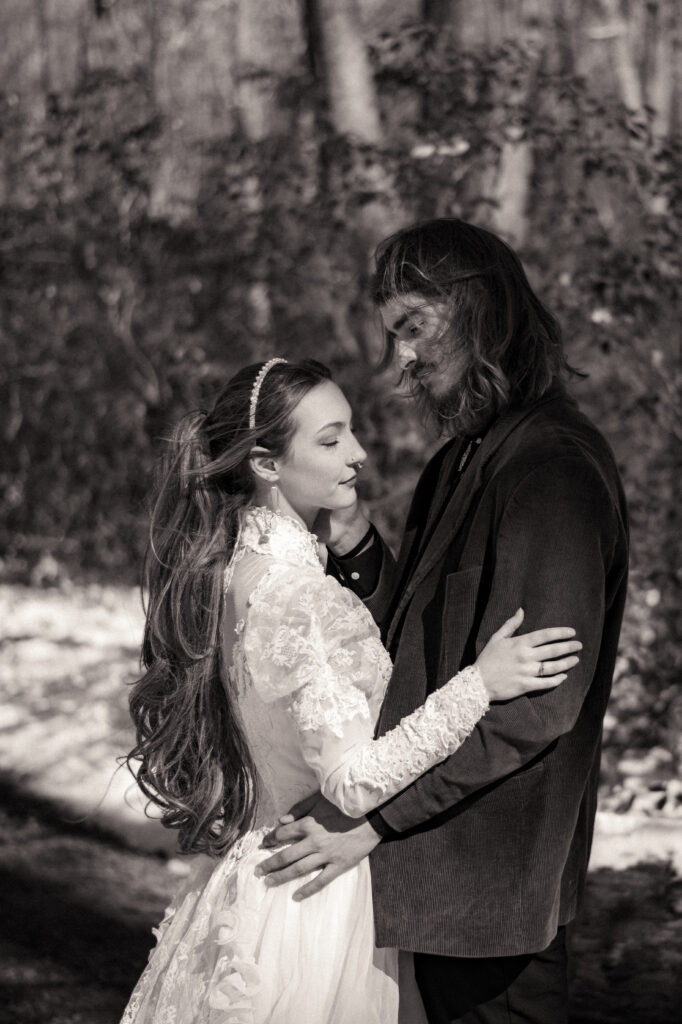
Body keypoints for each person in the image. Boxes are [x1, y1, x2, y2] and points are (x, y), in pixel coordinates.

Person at [120, 356, 581, 1023]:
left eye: (352, 433)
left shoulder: (234, 575)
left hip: (259, 876)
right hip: (318, 906)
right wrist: (480, 684)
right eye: (331, 440)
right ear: (268, 464)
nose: (359, 454)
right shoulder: (305, 597)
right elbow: (352, 781)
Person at [257, 220, 630, 1024]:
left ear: (477, 310)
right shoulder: (464, 458)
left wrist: (374, 822)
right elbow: (414, 652)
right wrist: (355, 544)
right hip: (431, 883)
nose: (402, 361)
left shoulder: (552, 469)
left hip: (493, 900)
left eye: (414, 330)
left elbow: (537, 709)